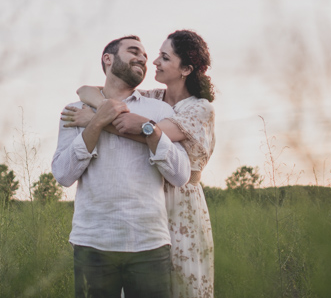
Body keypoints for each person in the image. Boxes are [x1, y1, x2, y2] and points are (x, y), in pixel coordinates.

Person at [62, 30, 216, 298]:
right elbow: (86, 90)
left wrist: (95, 120)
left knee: (183, 283)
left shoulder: (199, 108)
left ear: (186, 69)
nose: (154, 62)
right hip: (146, 201)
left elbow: (143, 132)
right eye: (155, 55)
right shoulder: (153, 98)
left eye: (164, 57)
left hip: (181, 203)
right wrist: (106, 108)